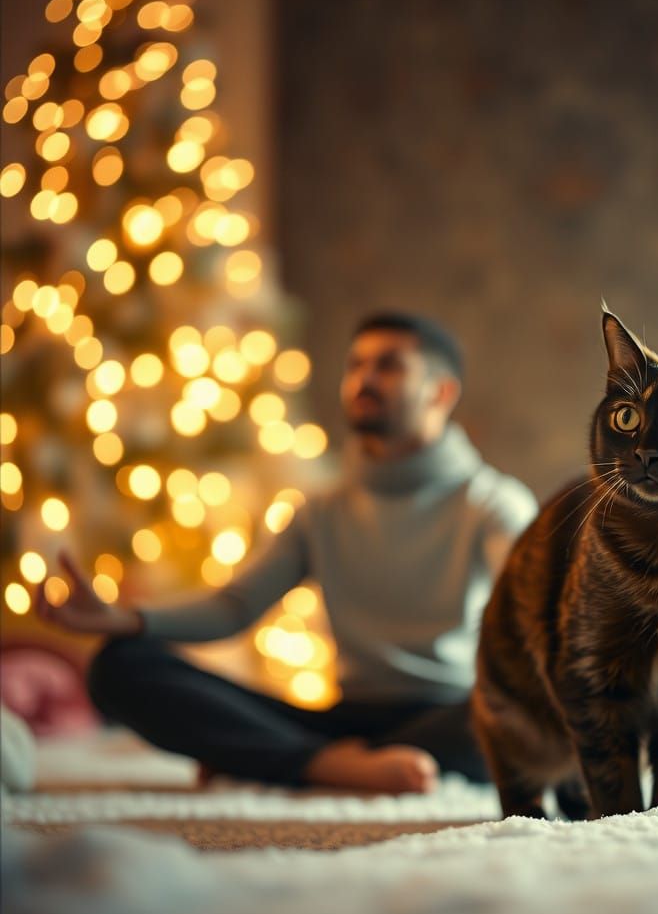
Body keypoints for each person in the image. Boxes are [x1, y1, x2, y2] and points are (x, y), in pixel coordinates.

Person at [35, 313, 537, 795]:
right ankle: (328, 765)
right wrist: (125, 618)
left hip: (452, 717)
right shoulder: (319, 510)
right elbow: (234, 607)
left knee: (521, 709)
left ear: (440, 392)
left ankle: (272, 758)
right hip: (340, 720)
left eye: (388, 365)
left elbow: (535, 606)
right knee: (118, 667)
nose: (364, 379)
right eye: (355, 365)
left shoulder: (493, 503)